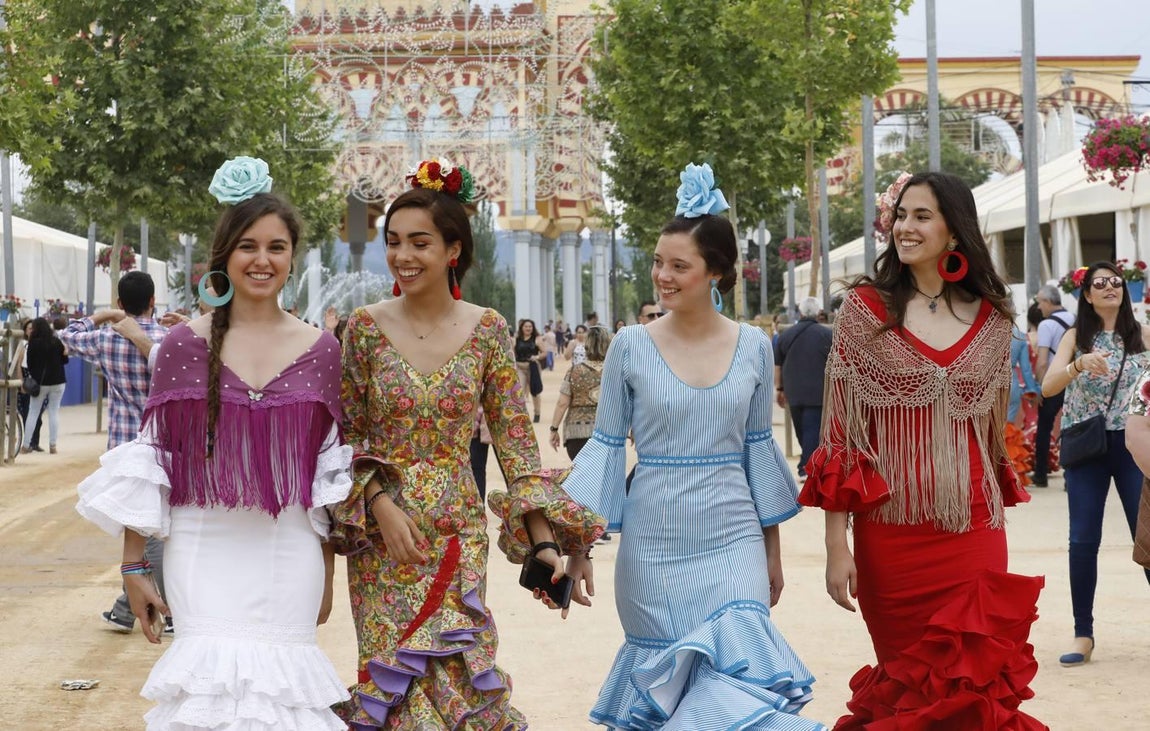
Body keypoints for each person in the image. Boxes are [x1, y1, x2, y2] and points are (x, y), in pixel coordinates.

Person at [75, 157, 352, 728]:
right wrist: (132, 568)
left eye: (277, 247)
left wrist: (326, 574)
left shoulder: (323, 349)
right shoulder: (181, 345)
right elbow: (152, 458)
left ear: (292, 258)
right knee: (208, 701)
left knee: (284, 703)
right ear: (223, 255)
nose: (262, 259)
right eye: (248, 246)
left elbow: (324, 478)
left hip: (289, 549)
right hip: (201, 548)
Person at [330, 159, 604, 729]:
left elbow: (516, 448)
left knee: (458, 678)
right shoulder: (362, 327)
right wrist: (379, 506)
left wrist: (545, 544)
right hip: (384, 543)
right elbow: (345, 434)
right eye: (394, 242)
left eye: (420, 242)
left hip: (456, 534)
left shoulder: (487, 329)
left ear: (453, 249)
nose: (403, 256)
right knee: (391, 684)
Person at [561, 163, 823, 730]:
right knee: (668, 697)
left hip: (733, 541)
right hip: (652, 548)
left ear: (717, 274)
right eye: (659, 262)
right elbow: (605, 451)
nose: (663, 276)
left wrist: (771, 550)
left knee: (736, 677)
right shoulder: (629, 346)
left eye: (679, 266)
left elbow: (757, 451)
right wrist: (581, 546)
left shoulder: (755, 346)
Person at [799, 171, 1045, 728]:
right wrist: (839, 547)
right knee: (911, 687)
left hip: (973, 531)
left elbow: (990, 439)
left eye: (921, 216)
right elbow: (840, 439)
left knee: (976, 684)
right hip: (891, 539)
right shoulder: (864, 310)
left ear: (954, 232)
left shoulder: (991, 320)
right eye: (900, 215)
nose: (904, 227)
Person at [1041, 260, 1150, 668]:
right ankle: (1082, 632)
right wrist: (1077, 365)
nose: (1109, 288)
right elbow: (1049, 385)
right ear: (1086, 294)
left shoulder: (1142, 336)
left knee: (1149, 538)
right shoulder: (1075, 336)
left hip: (1133, 446)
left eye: (1115, 282)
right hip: (1086, 446)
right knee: (1083, 541)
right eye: (1099, 283)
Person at [61, 271, 171, 633]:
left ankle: (158, 608)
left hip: (125, 446)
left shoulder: (107, 339)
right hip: (166, 443)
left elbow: (68, 335)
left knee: (142, 525)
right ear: (153, 301)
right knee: (155, 525)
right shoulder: (170, 340)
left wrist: (105, 316)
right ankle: (132, 607)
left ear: (122, 303)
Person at [774, 296, 832, 479]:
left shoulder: (785, 335)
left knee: (803, 429)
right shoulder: (826, 335)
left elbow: (778, 366)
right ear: (819, 313)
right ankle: (807, 465)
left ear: (800, 312)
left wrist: (780, 389)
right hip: (818, 391)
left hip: (794, 390)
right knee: (811, 430)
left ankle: (806, 464)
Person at [1032, 284, 1075, 486]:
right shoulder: (1075, 319)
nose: (1039, 307)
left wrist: (1041, 386)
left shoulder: (1046, 325)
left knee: (1044, 427)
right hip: (1074, 379)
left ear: (1048, 302)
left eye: (1040, 302)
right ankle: (1070, 476)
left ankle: (1041, 474)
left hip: (1055, 381)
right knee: (1072, 427)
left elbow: (1042, 361)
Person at [549, 325, 611, 460]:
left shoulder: (574, 372)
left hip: (576, 433)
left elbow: (562, 403)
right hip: (608, 433)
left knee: (581, 478)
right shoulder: (615, 372)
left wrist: (554, 429)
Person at [20, 317, 67, 455]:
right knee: (54, 412)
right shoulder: (56, 342)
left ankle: (26, 445)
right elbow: (65, 360)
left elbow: (29, 364)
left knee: (33, 412)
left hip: (40, 384)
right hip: (58, 382)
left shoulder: (32, 344)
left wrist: (36, 375)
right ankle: (53, 445)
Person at [16, 319, 44, 452]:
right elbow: (18, 365)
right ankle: (29, 442)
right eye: (29, 329)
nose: (31, 331)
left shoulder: (39, 344)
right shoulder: (23, 344)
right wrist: (21, 382)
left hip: (38, 379)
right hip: (27, 378)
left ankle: (35, 442)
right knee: (28, 412)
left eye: (33, 328)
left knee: (38, 415)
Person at [514, 318, 545, 422]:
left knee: (534, 391)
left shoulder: (537, 339)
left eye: (530, 326)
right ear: (521, 327)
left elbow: (544, 353)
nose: (528, 328)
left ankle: (537, 413)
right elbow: (511, 352)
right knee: (520, 391)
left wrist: (536, 357)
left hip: (532, 367)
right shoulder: (516, 339)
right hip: (519, 367)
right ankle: (522, 414)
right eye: (526, 326)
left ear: (533, 328)